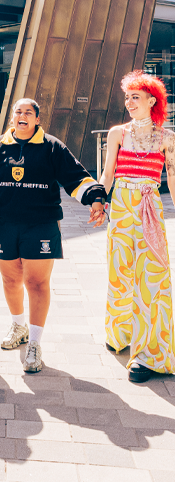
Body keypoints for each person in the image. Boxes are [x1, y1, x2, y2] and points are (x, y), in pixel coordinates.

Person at [0, 98, 105, 373]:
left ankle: (34, 343)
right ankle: (18, 326)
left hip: (41, 224)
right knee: (11, 279)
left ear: (38, 120)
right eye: (18, 112)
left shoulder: (52, 146)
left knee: (36, 282)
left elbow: (75, 176)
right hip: (5, 223)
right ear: (12, 118)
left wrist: (95, 198)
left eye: (28, 112)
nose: (22, 116)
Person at [99, 71, 175, 382]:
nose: (129, 102)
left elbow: (172, 178)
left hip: (150, 207)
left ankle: (149, 357)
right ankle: (120, 334)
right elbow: (107, 175)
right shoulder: (117, 133)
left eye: (136, 97)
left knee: (153, 280)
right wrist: (97, 202)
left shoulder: (167, 137)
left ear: (152, 100)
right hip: (120, 207)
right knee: (120, 273)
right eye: (128, 97)